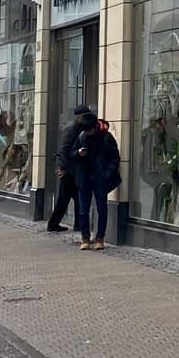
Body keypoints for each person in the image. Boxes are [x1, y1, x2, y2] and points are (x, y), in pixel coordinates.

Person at [73, 108, 121, 252]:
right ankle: (85, 238)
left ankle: (100, 238)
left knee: (102, 209)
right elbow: (72, 153)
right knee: (83, 210)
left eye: (89, 130)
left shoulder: (107, 138)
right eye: (85, 130)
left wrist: (107, 173)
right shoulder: (81, 137)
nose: (87, 133)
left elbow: (115, 157)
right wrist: (78, 153)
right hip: (85, 178)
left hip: (100, 178)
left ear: (95, 127)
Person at [46, 109, 90, 234]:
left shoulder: (79, 129)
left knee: (70, 198)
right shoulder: (72, 130)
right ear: (79, 117)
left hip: (73, 170)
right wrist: (62, 168)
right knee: (69, 198)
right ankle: (57, 224)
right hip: (69, 171)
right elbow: (63, 150)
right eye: (85, 117)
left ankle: (59, 224)